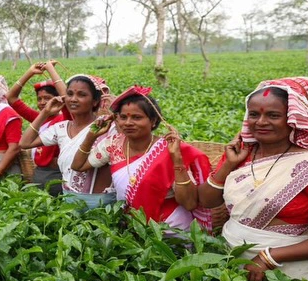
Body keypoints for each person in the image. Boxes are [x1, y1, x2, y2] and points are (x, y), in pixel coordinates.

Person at [200, 78, 308, 281]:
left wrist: (269, 257)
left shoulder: (306, 162)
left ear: (293, 118)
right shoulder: (241, 153)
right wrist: (228, 165)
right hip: (229, 260)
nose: (260, 122)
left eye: (273, 115)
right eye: (254, 114)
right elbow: (207, 201)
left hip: (288, 272)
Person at [71, 85, 211, 231]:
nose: (128, 123)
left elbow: (189, 203)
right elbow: (78, 166)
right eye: (123, 117)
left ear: (153, 121)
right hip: (133, 226)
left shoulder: (168, 149)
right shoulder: (113, 144)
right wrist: (92, 136)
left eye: (137, 117)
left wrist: (176, 159)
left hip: (171, 227)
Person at [20, 74, 115, 208]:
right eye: (69, 94)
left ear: (95, 101)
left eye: (81, 95)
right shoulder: (61, 128)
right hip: (69, 200)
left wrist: (116, 111)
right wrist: (45, 113)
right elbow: (25, 143)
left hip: (101, 203)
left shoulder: (106, 126)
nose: (73, 99)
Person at [7, 62, 68, 196]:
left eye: (47, 98)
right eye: (39, 99)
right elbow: (11, 98)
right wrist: (30, 72)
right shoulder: (39, 118)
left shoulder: (64, 119)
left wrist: (51, 70)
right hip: (39, 173)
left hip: (56, 174)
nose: (42, 102)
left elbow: (68, 100)